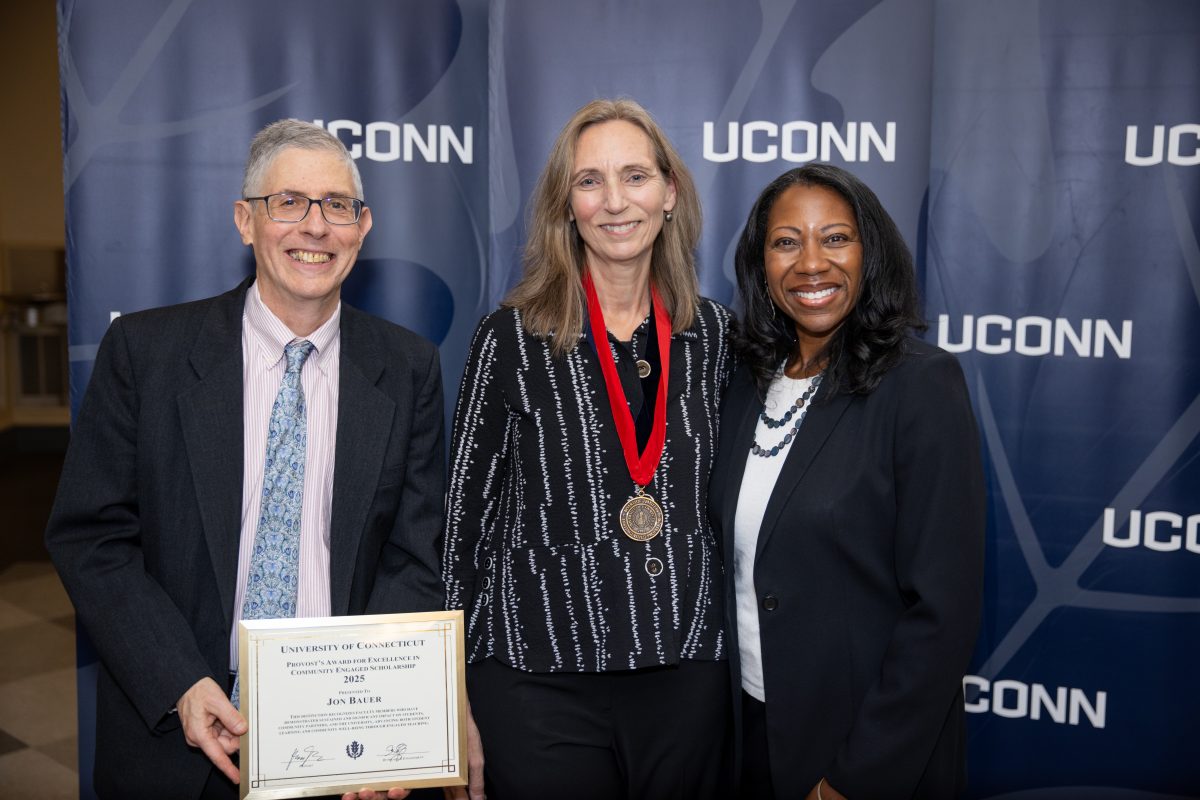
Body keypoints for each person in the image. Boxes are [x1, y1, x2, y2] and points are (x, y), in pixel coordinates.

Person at [45, 119, 445, 800]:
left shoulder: (408, 368)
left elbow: (417, 555)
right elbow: (92, 537)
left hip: (339, 748)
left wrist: (378, 718)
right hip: (176, 734)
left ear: (363, 225)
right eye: (288, 202)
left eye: (337, 206)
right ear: (245, 221)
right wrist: (179, 681)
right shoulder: (146, 355)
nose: (315, 227)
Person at [442, 98, 734, 800]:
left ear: (670, 193)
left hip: (685, 673)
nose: (614, 201)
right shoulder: (509, 338)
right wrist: (448, 705)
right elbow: (461, 536)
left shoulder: (717, 338)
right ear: (565, 206)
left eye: (634, 176)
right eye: (589, 181)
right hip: (538, 681)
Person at [709, 164, 985, 800]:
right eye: (786, 242)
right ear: (760, 262)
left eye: (835, 238)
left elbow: (942, 613)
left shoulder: (920, 385)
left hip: (863, 751)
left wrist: (854, 778)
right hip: (750, 733)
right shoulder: (747, 382)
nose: (811, 264)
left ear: (871, 252)